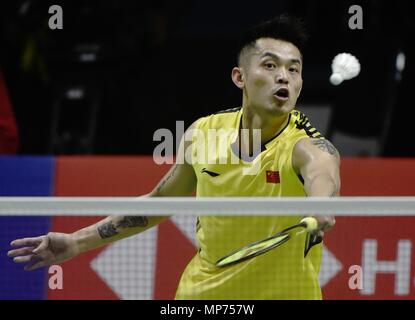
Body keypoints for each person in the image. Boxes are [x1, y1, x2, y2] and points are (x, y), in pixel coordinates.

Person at [8, 15, 340, 299]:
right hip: (203, 295)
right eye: (270, 65)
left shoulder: (306, 145)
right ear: (240, 77)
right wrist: (76, 243)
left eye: (293, 70)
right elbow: (158, 203)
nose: (284, 76)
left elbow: (322, 174)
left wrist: (321, 205)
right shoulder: (203, 133)